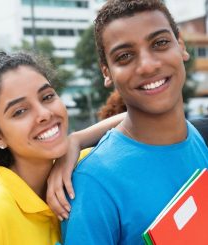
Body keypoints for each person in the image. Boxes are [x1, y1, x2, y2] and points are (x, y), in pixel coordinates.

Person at [61, 0, 208, 244]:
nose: (148, 65)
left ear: (180, 45)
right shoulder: (93, 183)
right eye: (125, 56)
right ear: (106, 72)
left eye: (160, 43)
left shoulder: (198, 138)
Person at [0, 51, 124, 245]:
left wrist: (78, 139)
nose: (44, 114)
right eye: (20, 111)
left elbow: (148, 118)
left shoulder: (82, 166)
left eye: (47, 97)